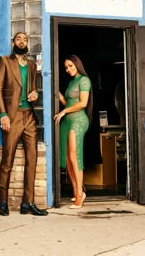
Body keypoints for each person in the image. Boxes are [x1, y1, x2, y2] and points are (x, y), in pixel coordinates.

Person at [0, 32, 48, 217]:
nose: (22, 41)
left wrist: (35, 94)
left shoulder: (32, 65)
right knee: (7, 161)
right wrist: (3, 115)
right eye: (19, 39)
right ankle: (3, 202)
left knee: (32, 160)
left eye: (25, 39)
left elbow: (32, 89)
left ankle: (28, 203)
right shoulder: (4, 61)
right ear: (13, 43)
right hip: (12, 116)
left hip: (29, 116)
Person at [54, 54, 92, 208]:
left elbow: (82, 103)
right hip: (67, 122)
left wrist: (63, 112)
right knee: (68, 159)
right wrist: (58, 94)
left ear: (77, 64)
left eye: (70, 66)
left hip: (78, 120)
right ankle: (77, 191)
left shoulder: (84, 80)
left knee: (74, 156)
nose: (68, 69)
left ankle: (79, 195)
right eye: (66, 67)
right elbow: (67, 102)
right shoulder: (71, 82)